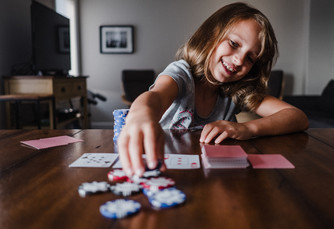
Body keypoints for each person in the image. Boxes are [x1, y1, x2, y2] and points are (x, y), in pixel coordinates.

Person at [118, 2, 309, 176]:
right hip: (169, 171)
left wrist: (247, 128)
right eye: (234, 44)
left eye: (250, 58)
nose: (239, 60)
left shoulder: (237, 90)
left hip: (215, 177)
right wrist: (141, 115)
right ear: (211, 35)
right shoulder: (182, 74)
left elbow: (297, 117)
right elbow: (156, 97)